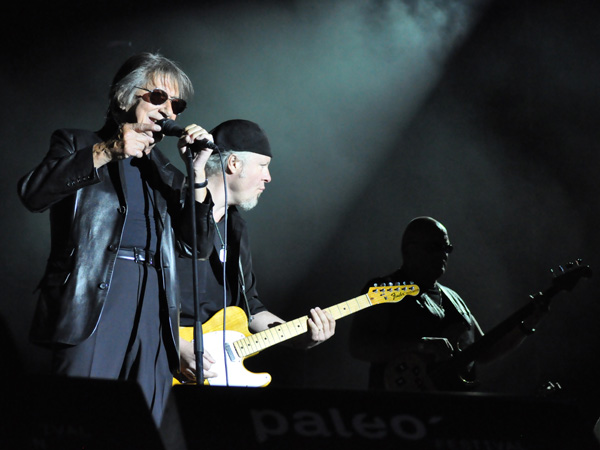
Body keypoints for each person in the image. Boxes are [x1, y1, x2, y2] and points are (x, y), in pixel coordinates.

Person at [17, 52, 216, 424]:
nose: (168, 110)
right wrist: (108, 151)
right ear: (125, 97)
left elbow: (196, 246)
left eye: (177, 104)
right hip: (95, 297)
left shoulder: (169, 173)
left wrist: (199, 173)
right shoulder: (77, 143)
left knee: (144, 420)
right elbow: (33, 193)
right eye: (157, 97)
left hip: (155, 302)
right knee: (79, 420)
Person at [176, 119, 336, 384]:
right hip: (164, 361)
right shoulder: (171, 209)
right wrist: (177, 346)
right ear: (233, 164)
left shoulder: (236, 227)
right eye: (262, 166)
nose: (268, 177)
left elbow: (250, 309)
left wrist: (299, 338)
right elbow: (138, 293)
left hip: (212, 371)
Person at [349, 216, 548, 392]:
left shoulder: (454, 298)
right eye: (435, 247)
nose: (443, 254)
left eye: (447, 248)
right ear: (409, 249)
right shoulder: (384, 288)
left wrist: (527, 325)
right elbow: (358, 346)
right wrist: (422, 346)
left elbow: (484, 351)